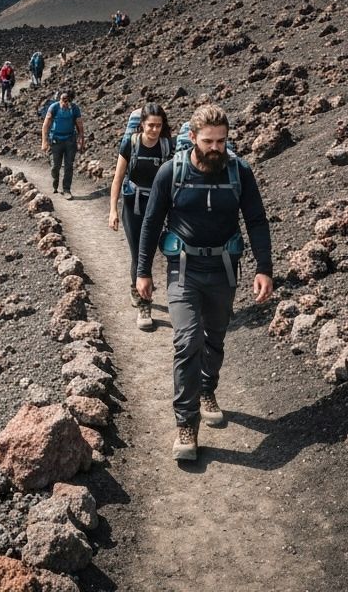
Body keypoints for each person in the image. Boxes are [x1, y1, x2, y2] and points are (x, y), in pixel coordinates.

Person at [136, 104, 273, 461]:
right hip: (184, 269)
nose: (217, 148)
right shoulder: (172, 172)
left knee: (215, 337)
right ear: (193, 138)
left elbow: (256, 220)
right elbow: (151, 223)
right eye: (209, 141)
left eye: (222, 141)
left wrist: (264, 267)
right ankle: (186, 424)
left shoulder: (239, 171)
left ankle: (207, 388)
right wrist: (143, 271)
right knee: (187, 340)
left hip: (224, 269)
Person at [108, 103, 174, 331]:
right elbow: (117, 178)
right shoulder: (130, 143)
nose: (154, 130)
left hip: (157, 206)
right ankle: (145, 305)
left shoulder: (167, 147)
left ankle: (135, 285)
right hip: (133, 205)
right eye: (150, 125)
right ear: (141, 125)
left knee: (152, 251)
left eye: (158, 125)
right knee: (139, 252)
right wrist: (113, 210)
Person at [41, 90, 85, 199]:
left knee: (69, 166)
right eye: (61, 100)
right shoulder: (54, 107)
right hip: (56, 140)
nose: (63, 103)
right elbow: (46, 125)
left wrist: (81, 141)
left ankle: (66, 189)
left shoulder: (75, 109)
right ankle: (55, 181)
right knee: (55, 166)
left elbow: (80, 126)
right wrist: (44, 141)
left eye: (66, 101)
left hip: (70, 140)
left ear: (70, 101)